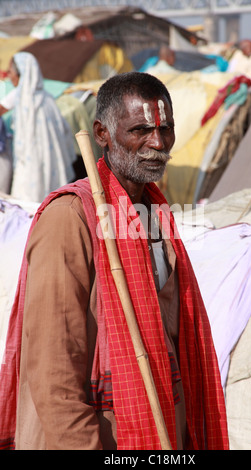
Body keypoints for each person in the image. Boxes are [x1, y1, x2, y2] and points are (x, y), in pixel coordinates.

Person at [0, 72, 229, 450]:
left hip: (160, 430)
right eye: (141, 129)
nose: (158, 143)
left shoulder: (156, 212)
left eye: (165, 129)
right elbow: (52, 369)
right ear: (102, 134)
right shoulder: (70, 217)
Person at [0, 52, 76, 202]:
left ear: (22, 74)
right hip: (50, 164)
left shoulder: (22, 97)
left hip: (30, 163)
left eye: (11, 72)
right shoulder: (47, 98)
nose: (9, 76)